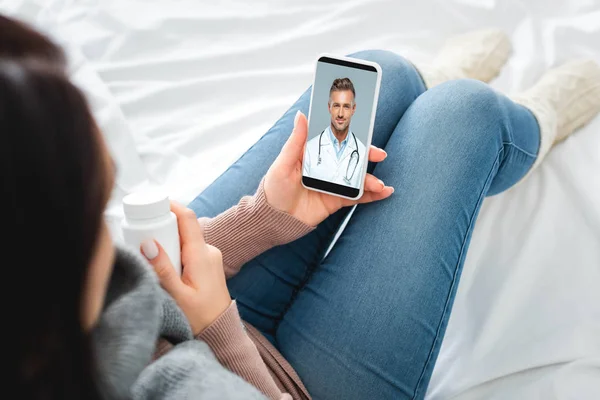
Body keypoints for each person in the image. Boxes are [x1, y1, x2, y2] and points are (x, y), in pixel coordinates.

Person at [4, 15, 600, 400]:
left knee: (373, 78)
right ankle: (522, 128)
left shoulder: (43, 287)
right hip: (276, 385)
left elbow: (145, 291)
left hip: (199, 316)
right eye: (94, 210)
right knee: (462, 117)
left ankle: (409, 104)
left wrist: (266, 217)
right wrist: (218, 327)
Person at [303, 77, 367, 188]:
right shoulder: (309, 149)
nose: (340, 114)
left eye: (346, 107)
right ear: (329, 107)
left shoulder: (363, 153)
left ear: (353, 109)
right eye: (336, 106)